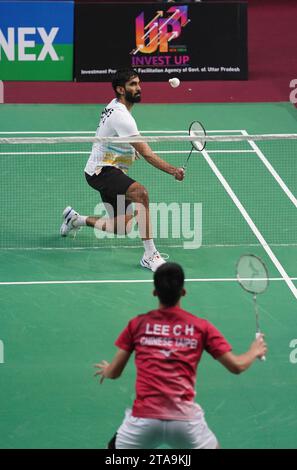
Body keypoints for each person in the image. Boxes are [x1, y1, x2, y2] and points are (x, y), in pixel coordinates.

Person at [94, 262, 268, 449]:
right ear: (183, 292)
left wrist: (107, 370)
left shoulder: (137, 324)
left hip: (144, 420)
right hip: (185, 422)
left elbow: (114, 372)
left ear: (155, 292)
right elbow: (237, 366)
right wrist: (254, 351)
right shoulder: (201, 327)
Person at [60, 68, 184, 272]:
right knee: (141, 193)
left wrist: (127, 150)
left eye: (138, 83)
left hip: (106, 169)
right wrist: (173, 171)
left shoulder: (116, 107)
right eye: (132, 85)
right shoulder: (122, 116)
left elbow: (111, 136)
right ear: (120, 89)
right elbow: (147, 153)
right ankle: (150, 255)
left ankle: (76, 219)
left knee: (122, 227)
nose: (138, 88)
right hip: (101, 171)